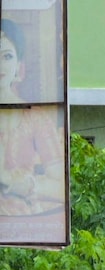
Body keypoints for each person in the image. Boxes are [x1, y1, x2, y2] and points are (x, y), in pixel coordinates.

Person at [0, 18, 66, 217]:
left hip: (22, 219)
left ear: (19, 66)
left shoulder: (36, 118)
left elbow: (61, 186)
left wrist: (21, 185)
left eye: (7, 56)